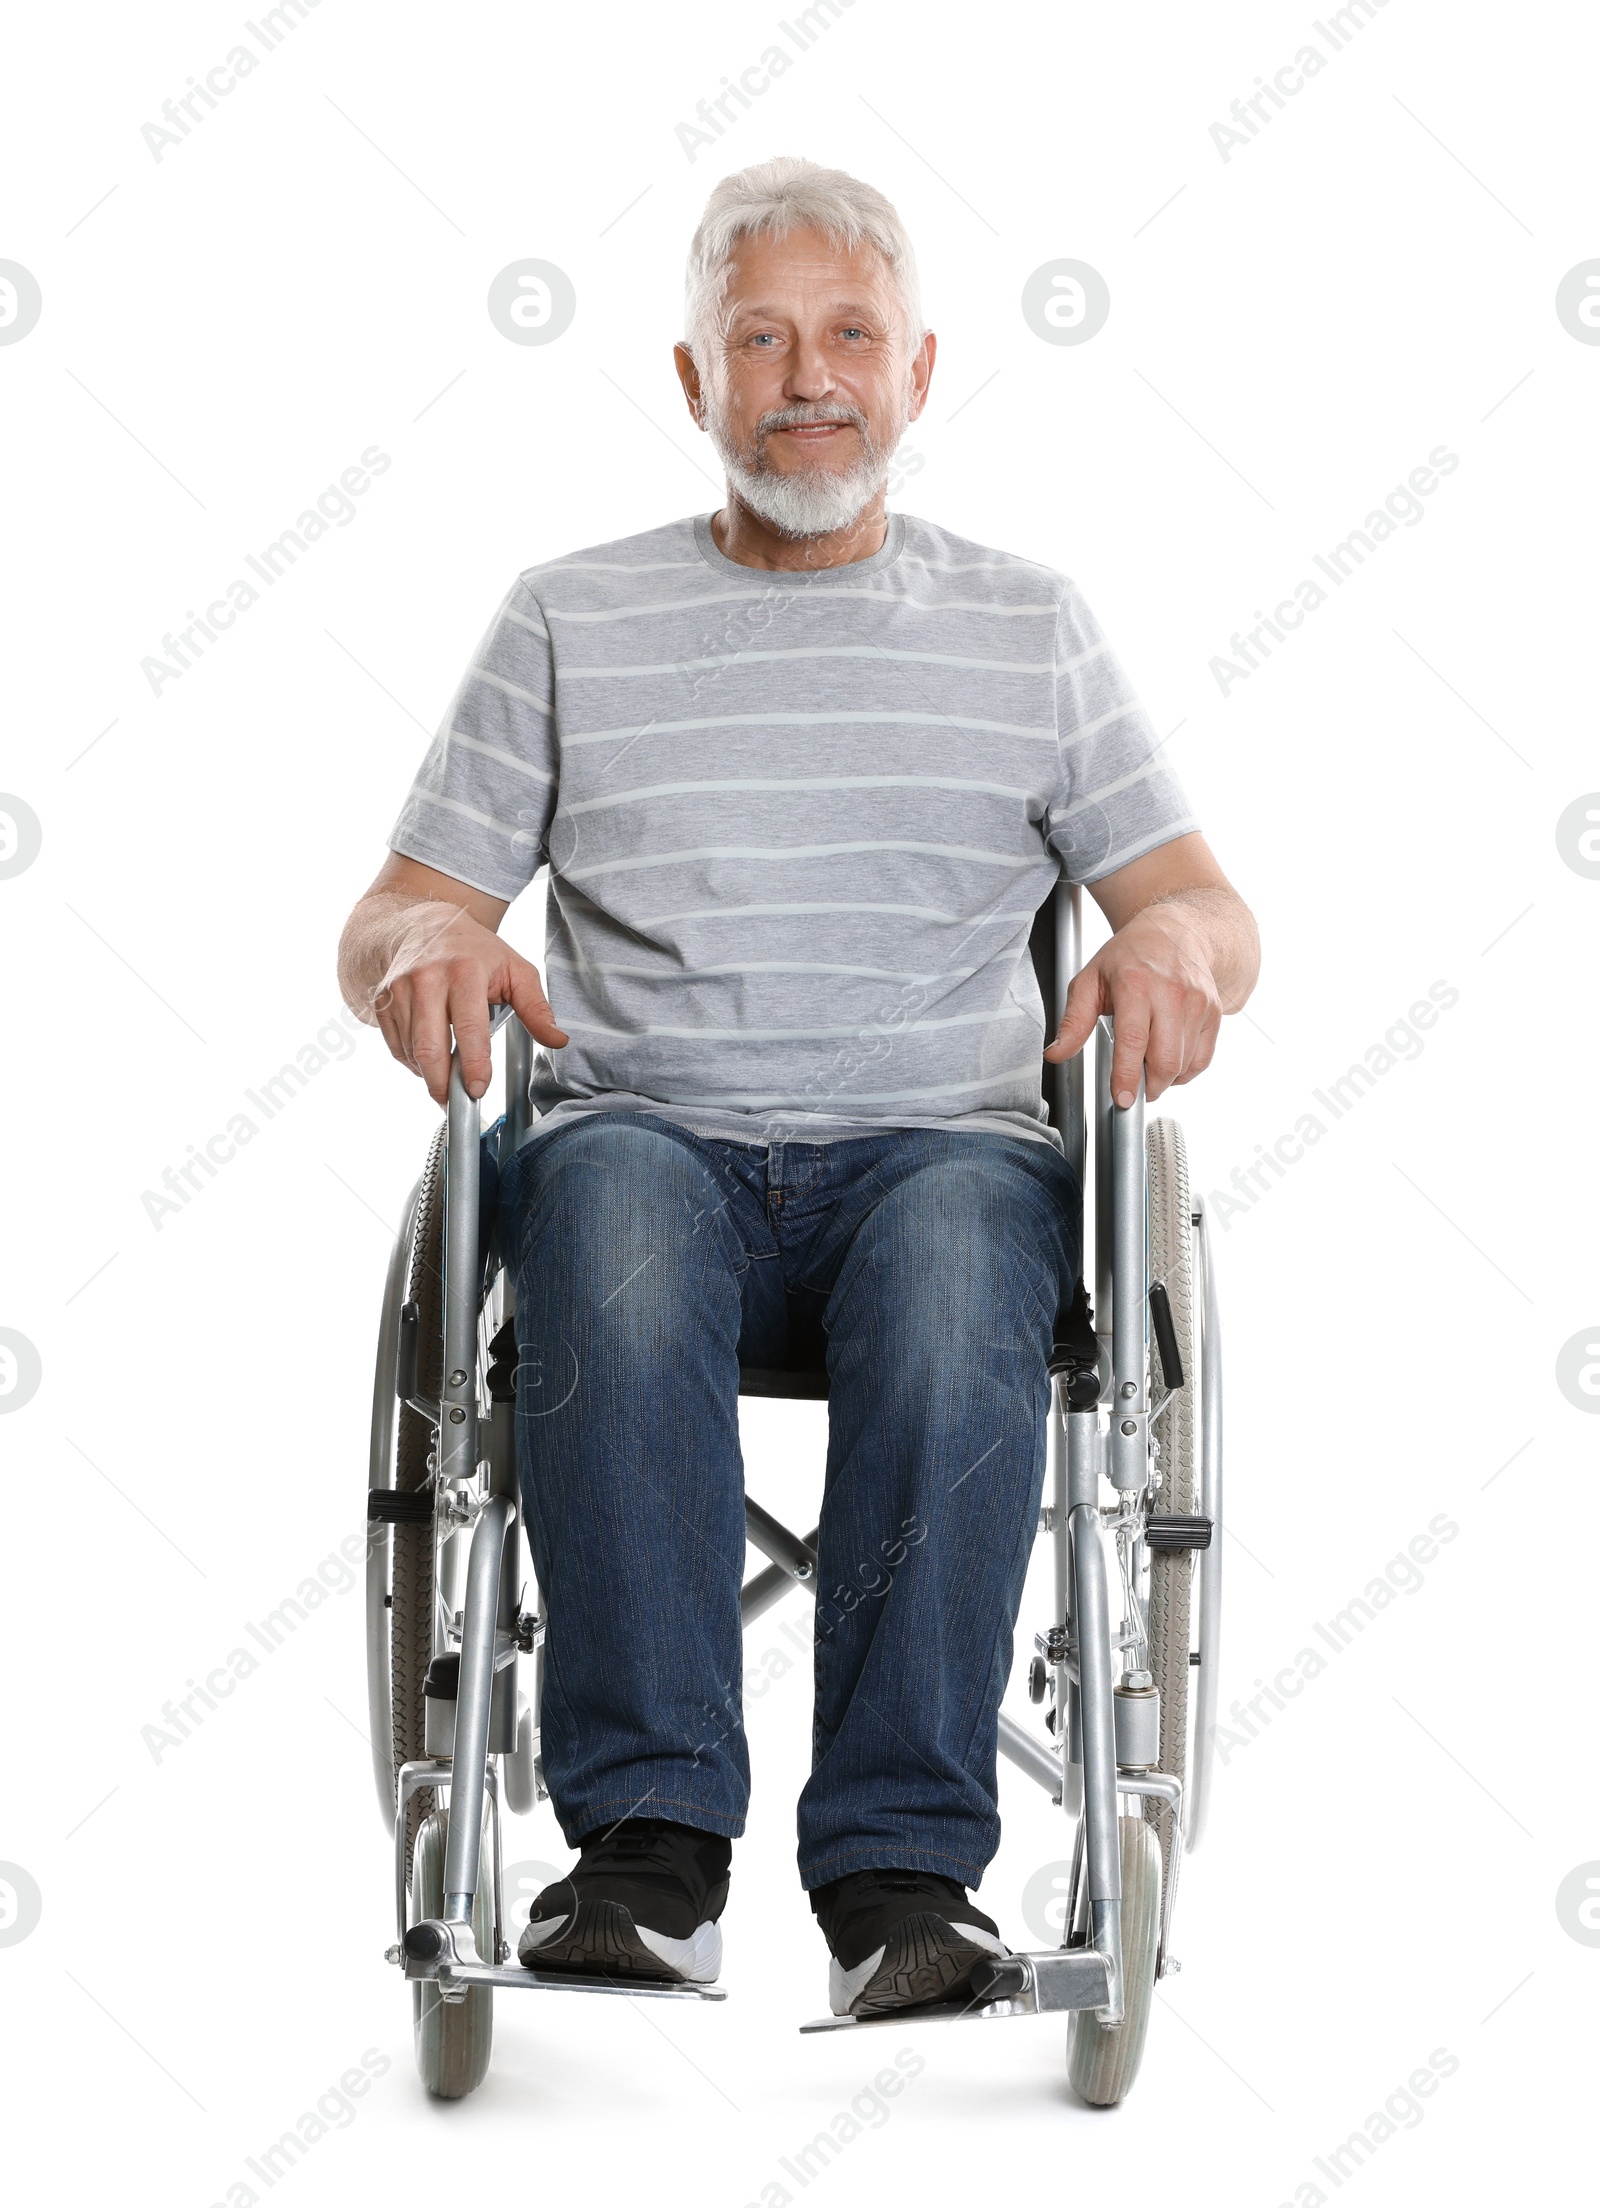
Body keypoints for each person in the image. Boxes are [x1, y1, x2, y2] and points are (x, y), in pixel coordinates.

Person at [337, 155, 1258, 2019]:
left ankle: (905, 1877)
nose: (808, 377)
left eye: (849, 337)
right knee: (597, 1204)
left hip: (942, 1159)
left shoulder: (1030, 627)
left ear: (920, 371)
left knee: (953, 1260)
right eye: (760, 339)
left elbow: (1205, 909)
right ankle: (649, 1854)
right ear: (695, 382)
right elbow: (396, 912)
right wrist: (422, 962)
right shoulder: (567, 618)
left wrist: (1168, 960)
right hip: (647, 1146)